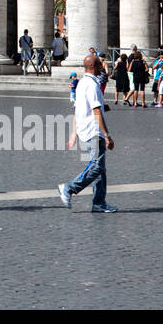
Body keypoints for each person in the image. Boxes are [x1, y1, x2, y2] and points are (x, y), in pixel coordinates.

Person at [58, 53, 117, 212]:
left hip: (86, 129)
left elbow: (79, 108)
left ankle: (99, 203)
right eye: (99, 65)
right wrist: (107, 135)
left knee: (100, 169)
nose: (102, 68)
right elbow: (96, 110)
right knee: (97, 166)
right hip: (94, 130)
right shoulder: (92, 85)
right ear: (92, 66)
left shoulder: (82, 83)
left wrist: (74, 132)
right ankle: (69, 188)